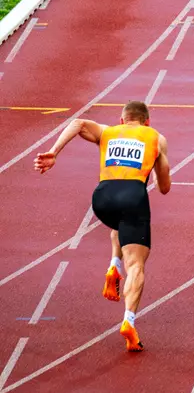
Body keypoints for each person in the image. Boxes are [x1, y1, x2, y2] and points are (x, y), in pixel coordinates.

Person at [34, 101, 171, 352]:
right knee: (137, 264)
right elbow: (164, 187)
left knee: (119, 223)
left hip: (101, 199)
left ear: (122, 121)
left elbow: (77, 123)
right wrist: (159, 163)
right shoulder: (156, 137)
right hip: (133, 197)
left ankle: (113, 265)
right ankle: (129, 321)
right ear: (147, 122)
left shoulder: (107, 132)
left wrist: (54, 151)